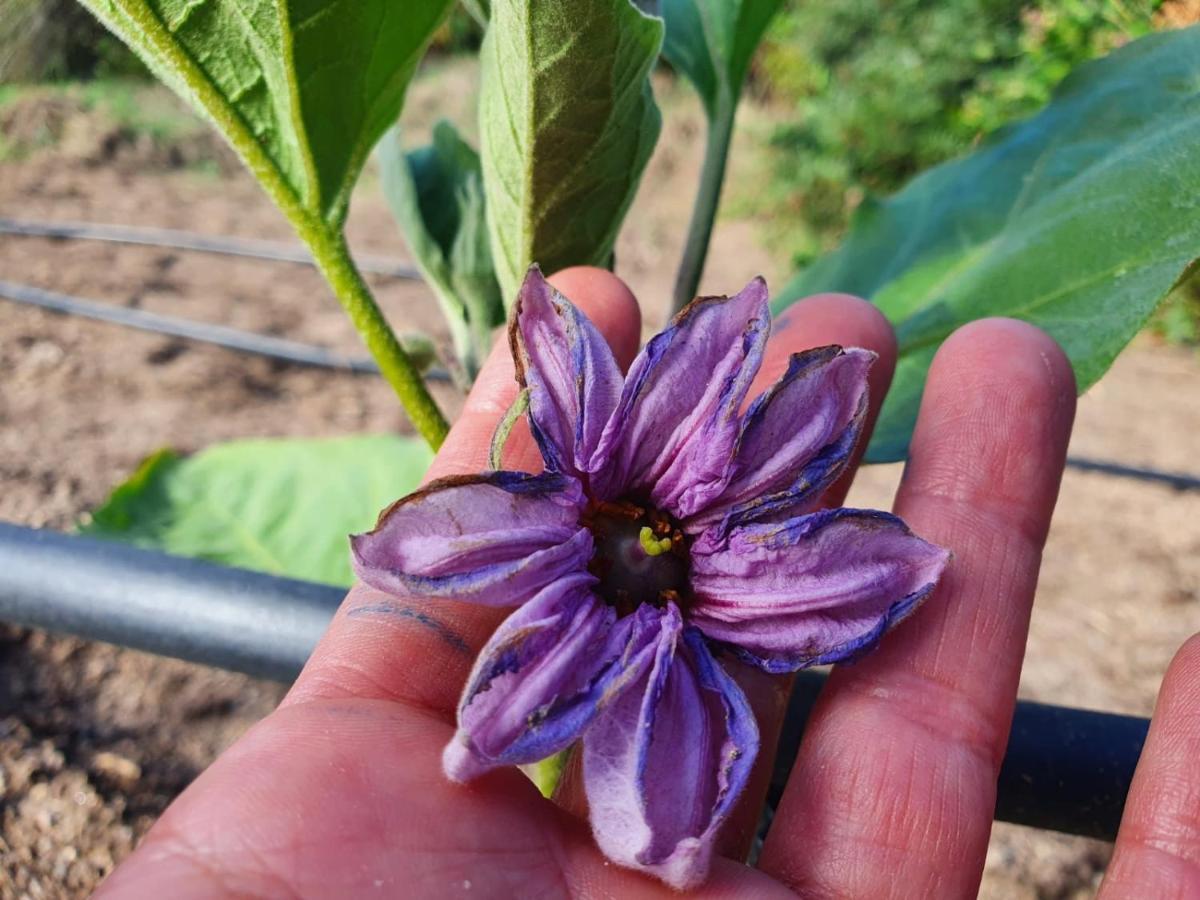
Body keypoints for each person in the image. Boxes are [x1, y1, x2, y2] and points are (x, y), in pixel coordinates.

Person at [95, 268, 1199, 898]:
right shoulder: (575, 525)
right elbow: (429, 559)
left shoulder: (653, 548)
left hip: (689, 615)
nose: (646, 545)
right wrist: (486, 740)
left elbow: (843, 535)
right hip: (656, 592)